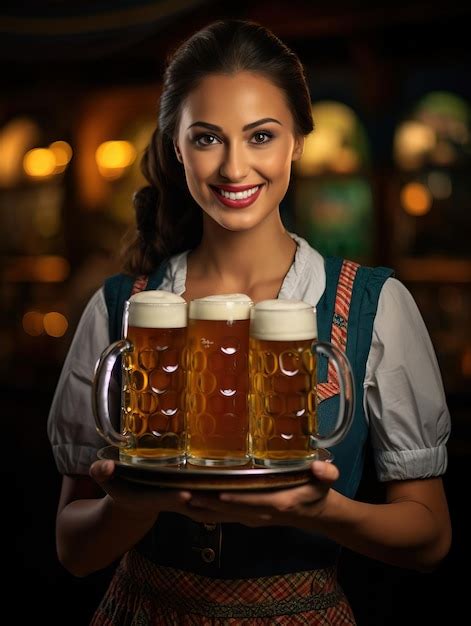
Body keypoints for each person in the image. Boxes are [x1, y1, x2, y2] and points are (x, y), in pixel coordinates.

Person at [47, 19, 452, 624]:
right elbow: (73, 549)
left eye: (261, 136)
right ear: (176, 146)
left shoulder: (374, 302)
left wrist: (319, 512)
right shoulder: (120, 308)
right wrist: (132, 508)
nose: (235, 169)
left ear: (298, 142)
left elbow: (430, 537)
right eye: (207, 139)